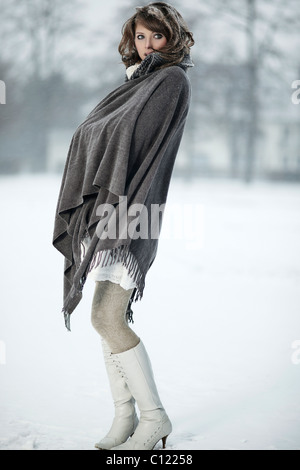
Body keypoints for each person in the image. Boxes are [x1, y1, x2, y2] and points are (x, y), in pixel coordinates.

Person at [53, 2, 194, 450]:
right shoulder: (137, 82)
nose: (148, 44)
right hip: (113, 214)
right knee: (101, 316)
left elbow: (128, 136)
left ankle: (155, 419)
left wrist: (91, 130)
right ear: (129, 39)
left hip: (133, 214)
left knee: (109, 316)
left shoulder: (170, 80)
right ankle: (124, 416)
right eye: (140, 37)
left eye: (157, 36)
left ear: (172, 37)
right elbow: (104, 129)